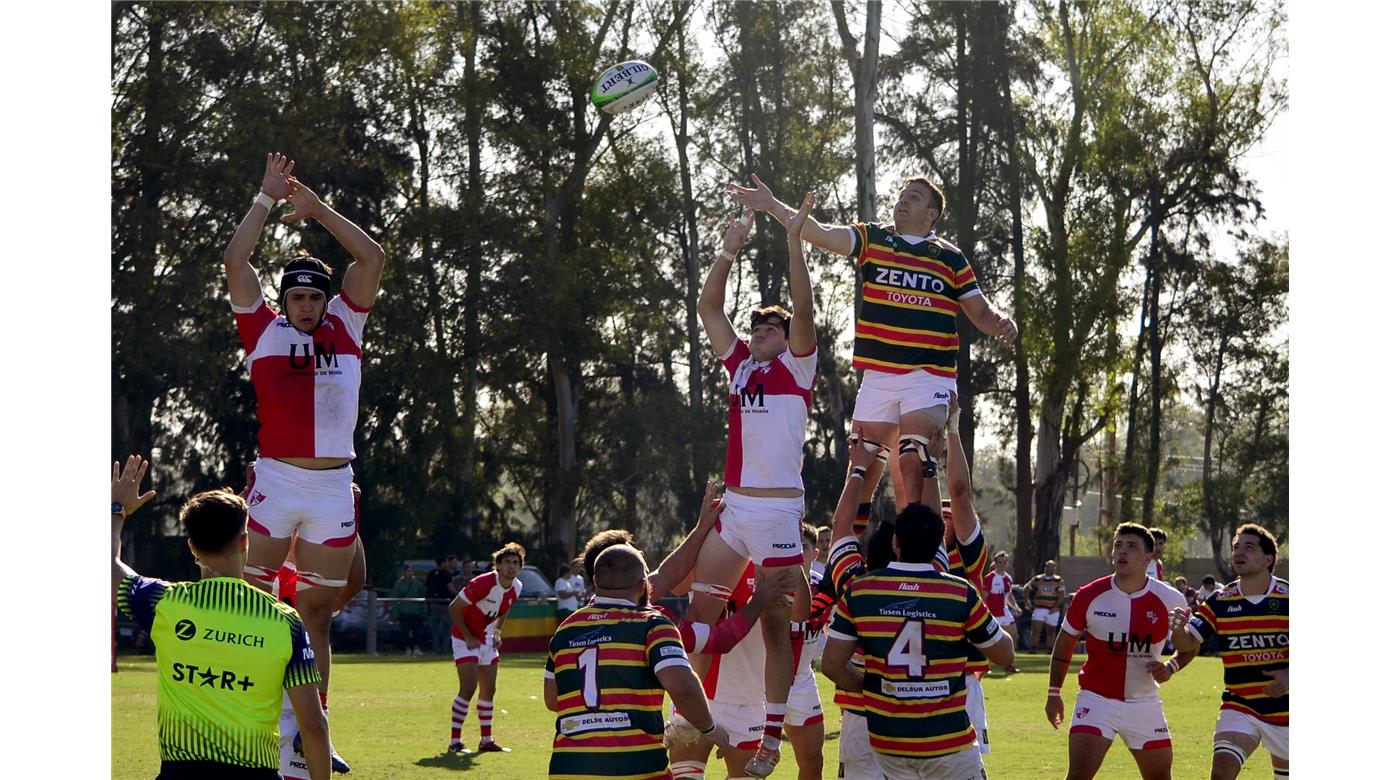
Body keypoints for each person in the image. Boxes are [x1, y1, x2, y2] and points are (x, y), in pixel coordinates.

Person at [224, 153, 387, 772]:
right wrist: (265, 200)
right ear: (284, 300)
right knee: (251, 602)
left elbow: (370, 258)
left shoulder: (347, 323)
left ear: (327, 300)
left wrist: (316, 209)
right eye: (295, 296)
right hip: (276, 479)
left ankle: (308, 735)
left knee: (317, 611)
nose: (305, 306)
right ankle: (253, 726)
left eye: (313, 297)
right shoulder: (261, 328)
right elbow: (236, 262)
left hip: (331, 486)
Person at [730, 174, 1017, 517]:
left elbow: (981, 312)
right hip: (878, 377)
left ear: (932, 214)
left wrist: (1001, 322)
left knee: (913, 461)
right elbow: (817, 232)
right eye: (902, 194)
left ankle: (922, 558)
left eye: (914, 197)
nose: (903, 200)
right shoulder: (874, 238)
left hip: (929, 375)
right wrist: (771, 204)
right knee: (860, 475)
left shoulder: (951, 258)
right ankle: (846, 561)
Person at [690, 199, 820, 777]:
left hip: (775, 516)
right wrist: (728, 248)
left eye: (773, 327)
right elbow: (707, 306)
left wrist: (793, 242)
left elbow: (805, 306)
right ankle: (691, 715)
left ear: (788, 338)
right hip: (736, 508)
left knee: (775, 627)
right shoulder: (741, 367)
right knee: (698, 608)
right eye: (758, 327)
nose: (762, 332)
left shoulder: (798, 368)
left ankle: (770, 736)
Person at [111, 455, 331, 780]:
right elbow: (313, 727)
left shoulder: (164, 603)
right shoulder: (284, 621)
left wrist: (117, 510)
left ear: (191, 547)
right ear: (245, 542)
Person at [824, 501, 1015, 780]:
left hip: (888, 744)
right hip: (949, 744)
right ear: (939, 543)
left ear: (895, 541)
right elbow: (1004, 655)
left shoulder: (861, 591)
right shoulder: (959, 593)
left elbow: (831, 665)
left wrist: (874, 688)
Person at [545, 545, 730, 779]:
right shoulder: (652, 624)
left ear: (594, 582)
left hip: (567, 767)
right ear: (643, 585)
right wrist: (709, 728)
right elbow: (681, 684)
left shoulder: (566, 629)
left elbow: (553, 699)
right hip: (635, 766)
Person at [1045, 523, 1193, 780]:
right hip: (1096, 699)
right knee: (1078, 776)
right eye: (1118, 545)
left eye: (1131, 546)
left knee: (1160, 776)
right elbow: (1064, 643)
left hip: (1145, 702)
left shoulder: (1171, 599)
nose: (1122, 552)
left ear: (1149, 557)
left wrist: (1171, 666)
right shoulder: (1088, 595)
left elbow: (1190, 647)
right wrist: (1054, 692)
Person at [1169, 524, 1288, 780]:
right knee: (1221, 773)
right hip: (1240, 705)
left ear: (1268, 559)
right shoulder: (1220, 600)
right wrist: (1178, 631)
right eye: (1236, 547)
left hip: (1288, 711)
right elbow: (1188, 644)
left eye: (1249, 547)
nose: (1238, 552)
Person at [446, 542, 525, 754]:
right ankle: (455, 742)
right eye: (507, 562)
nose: (511, 566)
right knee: (469, 687)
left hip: (487, 639)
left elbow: (504, 609)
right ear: (497, 565)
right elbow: (454, 608)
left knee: (489, 689)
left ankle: (486, 740)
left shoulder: (517, 587)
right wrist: (469, 636)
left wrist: (497, 632)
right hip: (464, 638)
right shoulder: (483, 583)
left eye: (515, 563)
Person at [984, 550, 1022, 673]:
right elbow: (984, 595)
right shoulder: (990, 577)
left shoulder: (1008, 578)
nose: (1002, 564)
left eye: (1004, 562)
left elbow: (1009, 596)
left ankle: (1009, 664)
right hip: (992, 614)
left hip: (1005, 613)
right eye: (999, 562)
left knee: (1014, 637)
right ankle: (985, 665)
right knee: (989, 640)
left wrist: (1015, 607)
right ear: (995, 563)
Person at [1026, 560, 1068, 652]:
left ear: (1055, 568)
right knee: (1036, 629)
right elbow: (1027, 588)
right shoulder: (1037, 579)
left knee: (1051, 631)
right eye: (1048, 566)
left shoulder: (1058, 580)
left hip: (1053, 609)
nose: (1050, 568)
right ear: (1045, 567)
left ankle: (1050, 649)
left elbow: (1061, 596)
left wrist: (1055, 607)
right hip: (1039, 608)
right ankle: (1033, 648)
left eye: (1052, 567)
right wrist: (1027, 601)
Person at [390, 564, 427, 656]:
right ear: (404, 572)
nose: (410, 573)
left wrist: (424, 611)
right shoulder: (399, 583)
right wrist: (396, 612)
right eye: (408, 571)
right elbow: (395, 597)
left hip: (416, 611)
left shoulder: (417, 583)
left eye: (411, 571)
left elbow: (422, 597)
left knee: (416, 631)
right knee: (405, 631)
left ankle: (416, 648)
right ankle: (407, 648)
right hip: (404, 611)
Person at [425, 555, 457, 653]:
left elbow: (427, 588)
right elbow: (450, 588)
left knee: (435, 628)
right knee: (447, 628)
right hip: (444, 604)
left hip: (433, 603)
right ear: (443, 563)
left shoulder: (431, 574)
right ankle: (443, 649)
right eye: (447, 562)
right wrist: (458, 595)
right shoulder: (445, 574)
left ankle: (436, 649)